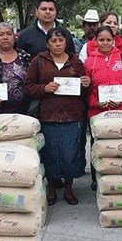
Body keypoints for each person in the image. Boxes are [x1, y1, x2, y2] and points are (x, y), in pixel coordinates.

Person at [23, 27, 91, 206]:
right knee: (50, 154)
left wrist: (87, 83)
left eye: (61, 40)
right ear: (47, 44)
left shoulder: (75, 62)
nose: (58, 44)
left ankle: (69, 189)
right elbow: (28, 86)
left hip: (72, 115)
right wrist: (44, 88)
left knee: (70, 154)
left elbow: (85, 92)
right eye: (54, 41)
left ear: (66, 42)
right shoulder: (39, 61)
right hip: (48, 115)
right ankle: (51, 189)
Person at [84, 26, 122, 188]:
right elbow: (86, 88)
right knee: (99, 148)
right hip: (97, 113)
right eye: (101, 40)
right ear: (95, 41)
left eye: (109, 40)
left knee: (121, 147)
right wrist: (95, 102)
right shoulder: (89, 61)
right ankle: (98, 179)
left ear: (114, 41)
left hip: (121, 111)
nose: (105, 43)